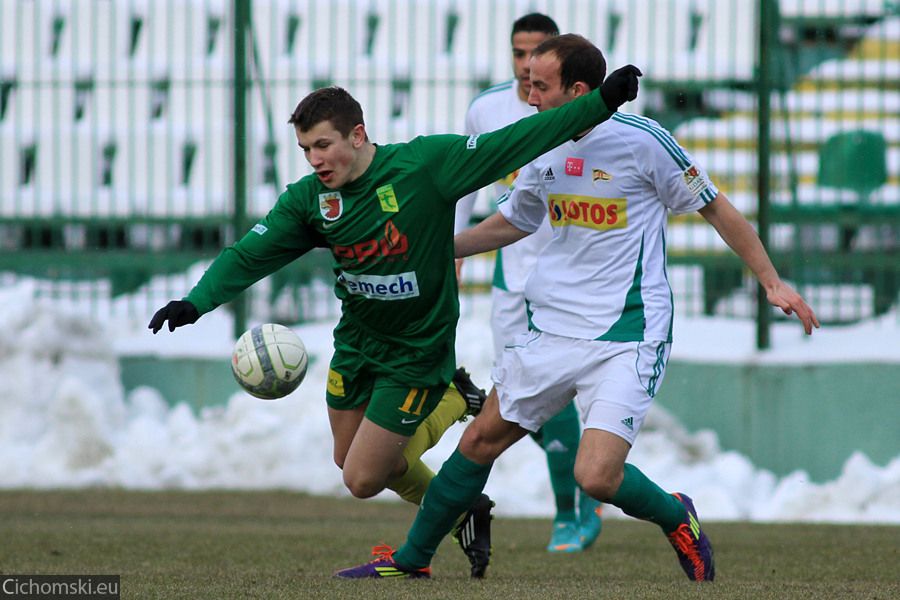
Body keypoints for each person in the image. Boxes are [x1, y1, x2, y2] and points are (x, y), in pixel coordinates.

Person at [335, 33, 819, 581]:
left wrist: (771, 282)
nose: (530, 96)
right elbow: (516, 221)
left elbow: (717, 208)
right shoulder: (540, 145)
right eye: (526, 84)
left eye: (541, 86)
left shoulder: (644, 141)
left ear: (580, 90)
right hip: (552, 330)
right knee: (479, 440)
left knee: (597, 477)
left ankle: (675, 515)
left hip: (628, 333)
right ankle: (412, 561)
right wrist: (437, 248)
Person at [148, 70, 641, 577]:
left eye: (324, 145)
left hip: (416, 349)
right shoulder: (310, 200)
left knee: (363, 478)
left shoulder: (424, 166)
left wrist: (599, 101)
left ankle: (450, 401)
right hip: (358, 343)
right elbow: (251, 254)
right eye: (305, 150)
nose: (316, 160)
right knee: (348, 458)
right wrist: (197, 301)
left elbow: (514, 141)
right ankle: (464, 506)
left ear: (357, 135)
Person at [455, 12, 602, 554]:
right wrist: (453, 251)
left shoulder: (586, 115)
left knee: (543, 392)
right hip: (509, 275)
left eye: (536, 54)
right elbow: (463, 184)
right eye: (518, 53)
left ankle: (571, 510)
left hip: (568, 283)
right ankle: (584, 475)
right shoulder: (487, 109)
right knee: (518, 393)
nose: (524, 65)